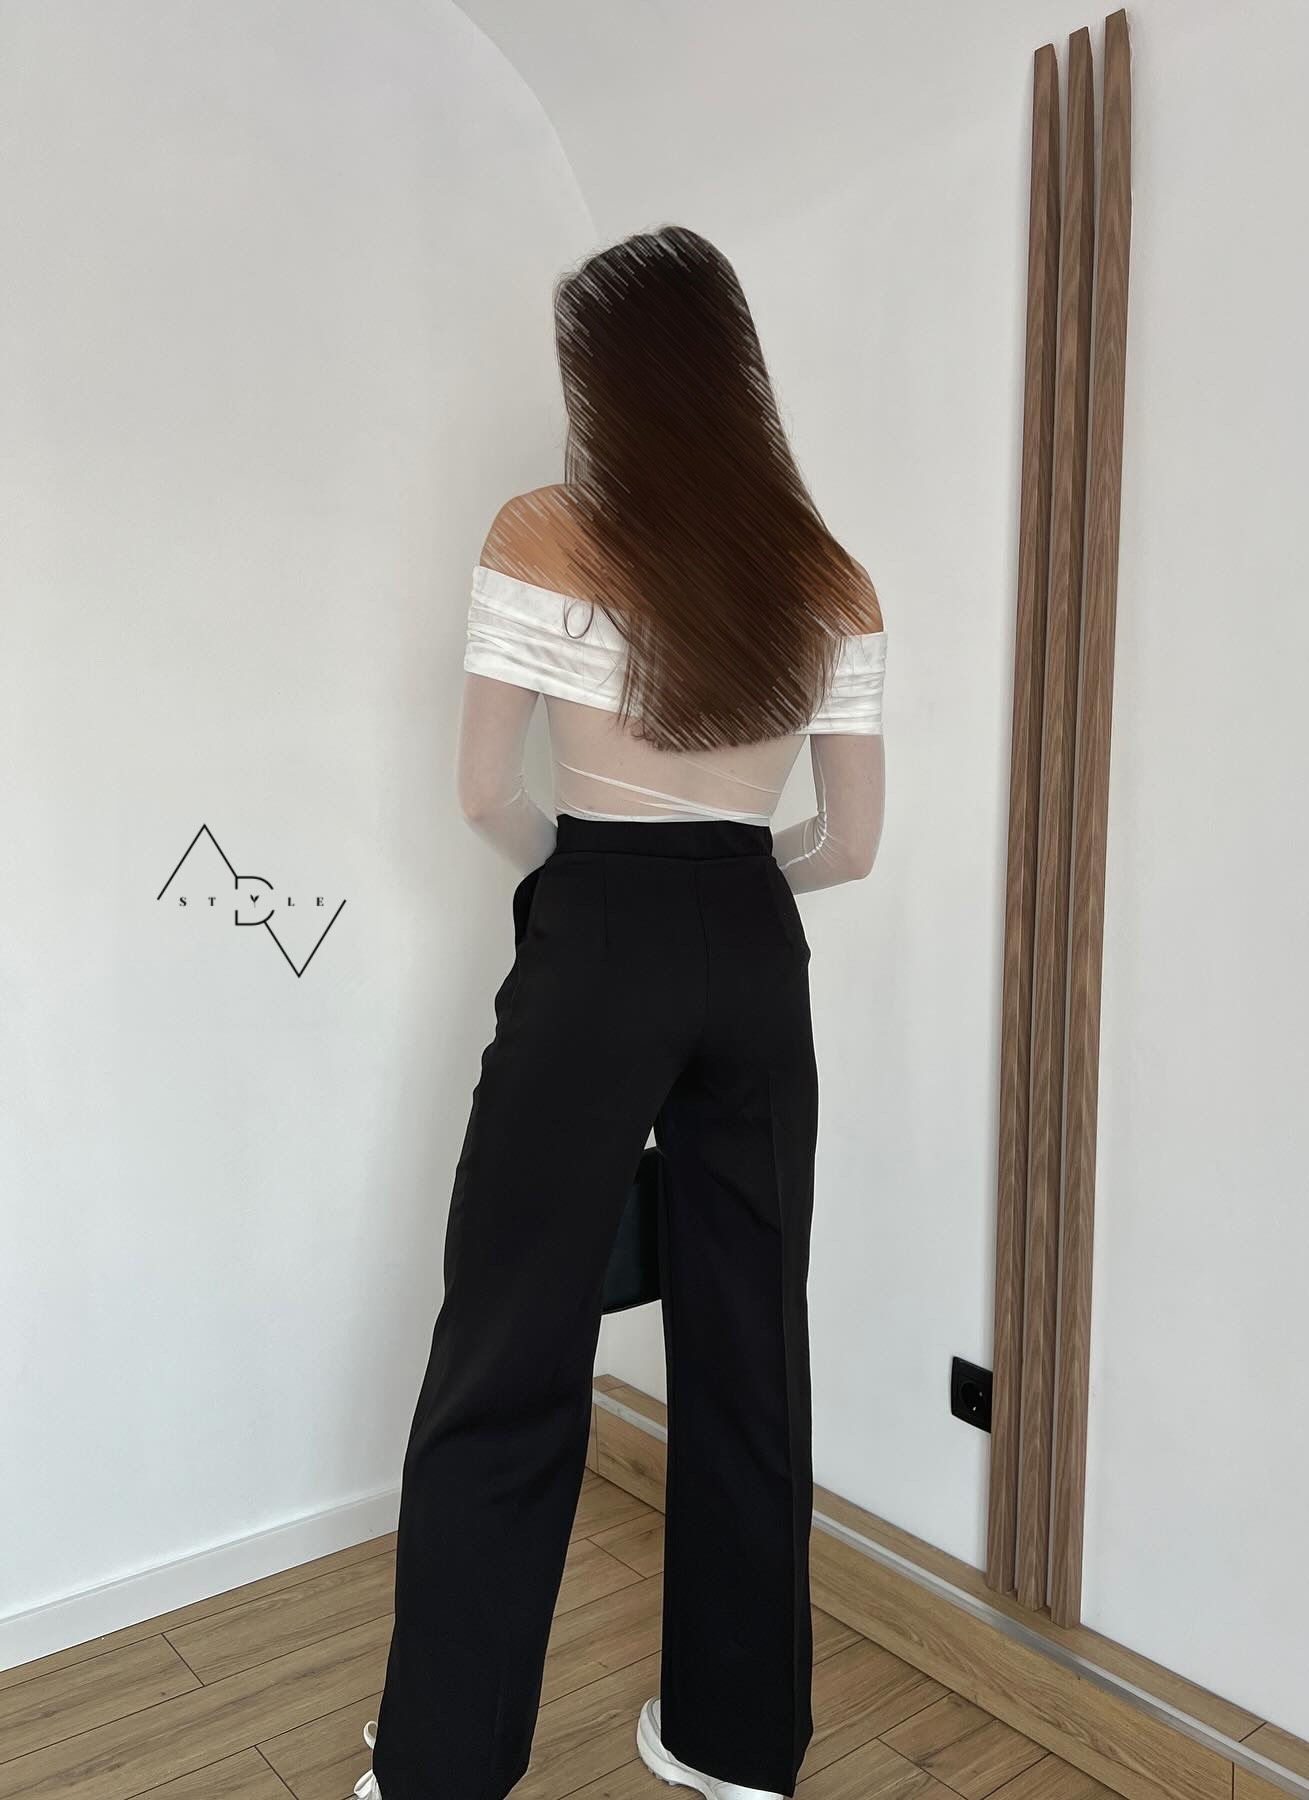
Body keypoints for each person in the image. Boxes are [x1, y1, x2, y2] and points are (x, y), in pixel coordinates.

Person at [356, 226, 887, 1800]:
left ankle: (443, 1767)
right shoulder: (828, 574)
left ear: (612, 378)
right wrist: (741, 887)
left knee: (511, 1339)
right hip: (756, 945)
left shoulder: (543, 531)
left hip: (599, 923)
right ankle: (737, 1747)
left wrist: (578, 892)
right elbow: (852, 847)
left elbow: (482, 795)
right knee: (751, 1343)